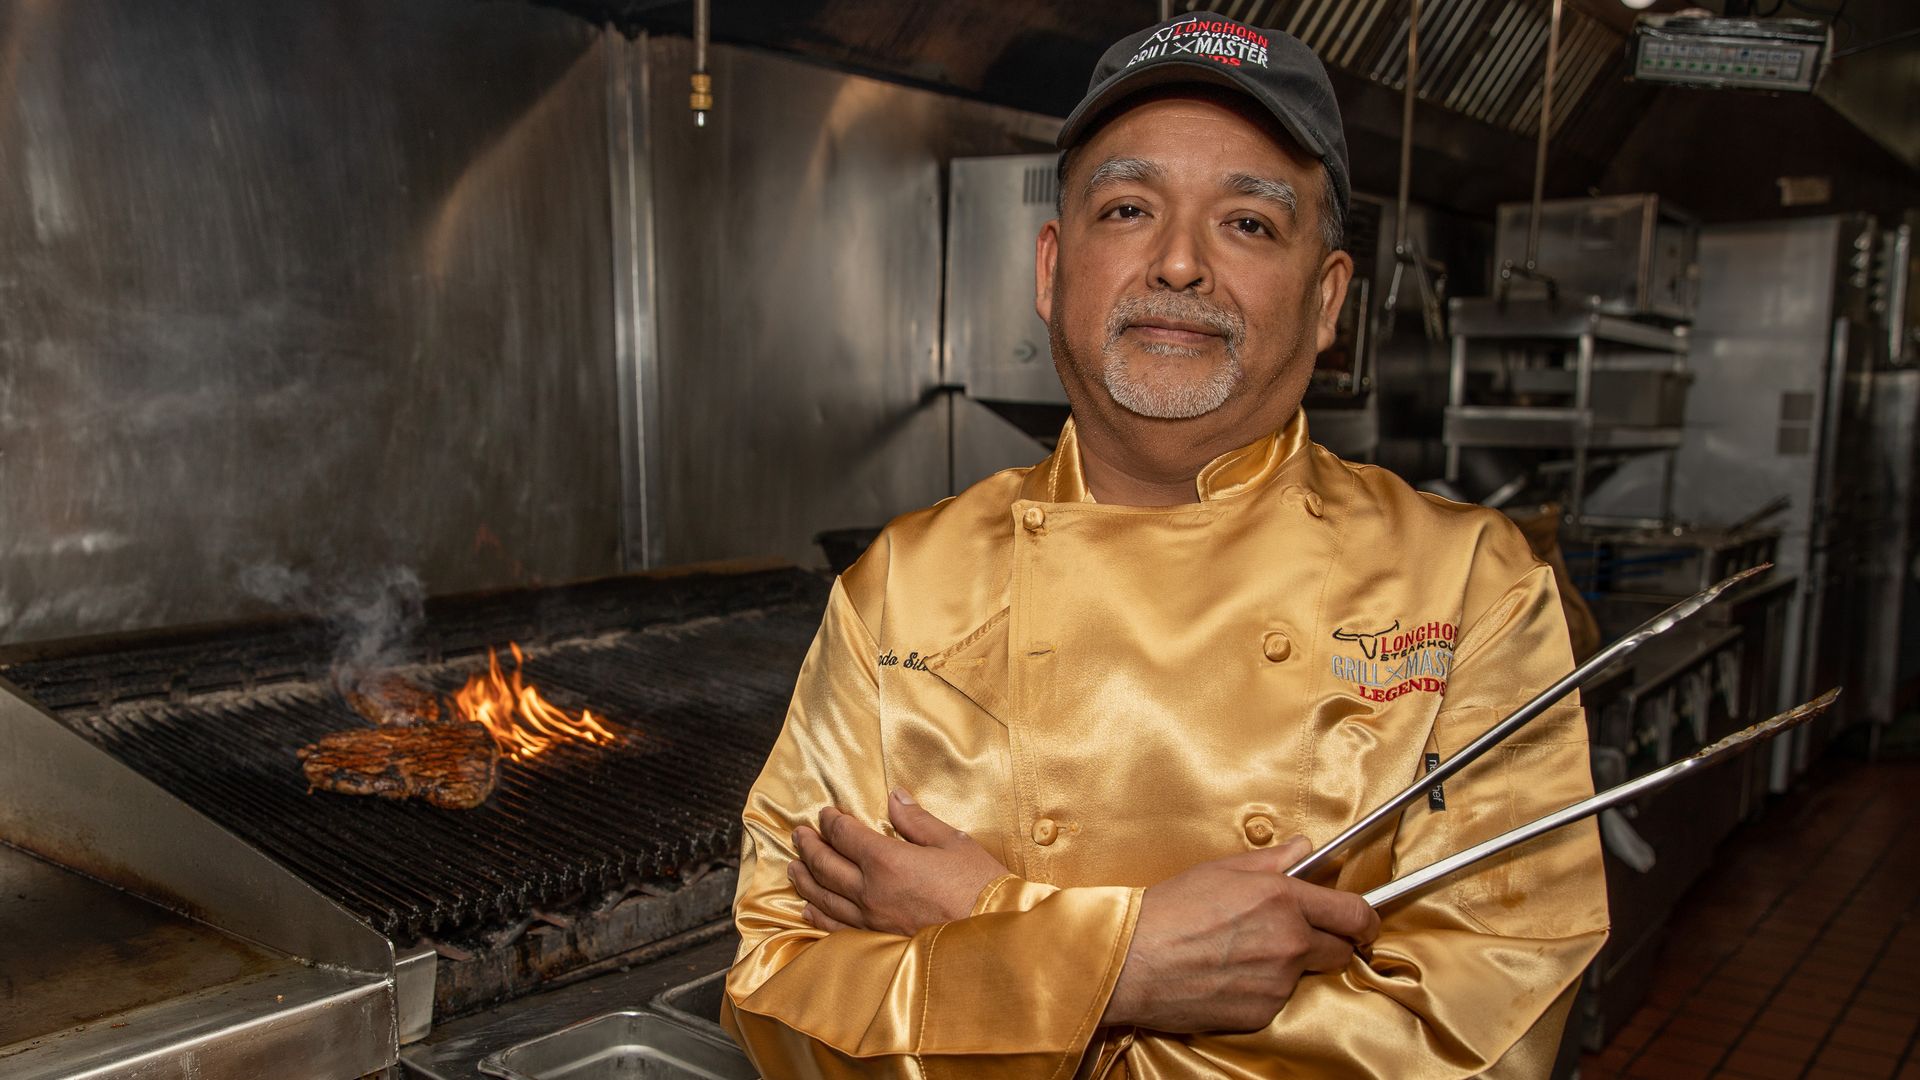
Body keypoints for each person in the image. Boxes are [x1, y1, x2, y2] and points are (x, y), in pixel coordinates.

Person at [721, 13, 1608, 1078]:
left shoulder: (1474, 588)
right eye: (1130, 208)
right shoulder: (902, 588)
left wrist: (994, 928)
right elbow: (780, 991)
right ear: (1053, 270)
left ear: (1326, 302)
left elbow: (1477, 1034)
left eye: (1247, 223)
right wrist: (1124, 965)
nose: (1180, 262)